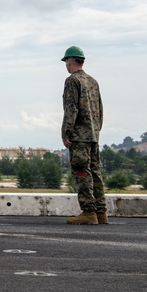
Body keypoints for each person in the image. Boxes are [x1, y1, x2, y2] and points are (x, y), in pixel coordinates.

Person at [61, 46, 107, 225]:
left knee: (81, 172)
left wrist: (66, 132)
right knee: (95, 172)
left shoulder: (72, 81)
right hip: (94, 135)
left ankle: (88, 212)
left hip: (79, 136)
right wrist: (96, 130)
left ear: (70, 61)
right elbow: (101, 109)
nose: (66, 65)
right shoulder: (93, 81)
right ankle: (101, 212)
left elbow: (71, 108)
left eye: (66, 62)